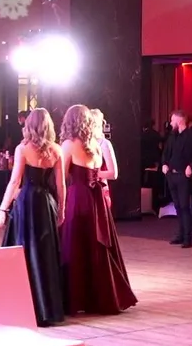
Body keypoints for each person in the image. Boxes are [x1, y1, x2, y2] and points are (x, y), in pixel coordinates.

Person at [59, 106, 137, 315]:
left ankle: (76, 298)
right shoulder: (95, 143)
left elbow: (62, 177)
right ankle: (100, 297)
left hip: (78, 196)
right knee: (96, 244)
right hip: (96, 198)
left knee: (75, 245)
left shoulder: (69, 144)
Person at [0, 108, 67, 327]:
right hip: (46, 203)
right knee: (44, 254)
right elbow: (61, 185)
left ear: (29, 125)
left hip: (27, 203)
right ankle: (46, 308)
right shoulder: (56, 149)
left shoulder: (22, 148)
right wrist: (62, 210)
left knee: (24, 251)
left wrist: (2, 209)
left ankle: (20, 306)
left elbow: (15, 181)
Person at [161, 110, 192, 248]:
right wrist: (164, 164)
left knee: (184, 206)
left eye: (173, 120)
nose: (171, 123)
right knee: (177, 206)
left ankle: (187, 238)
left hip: (183, 176)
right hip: (171, 175)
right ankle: (180, 234)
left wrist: (191, 166)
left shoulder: (191, 136)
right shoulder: (172, 136)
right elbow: (166, 153)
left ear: (179, 121)